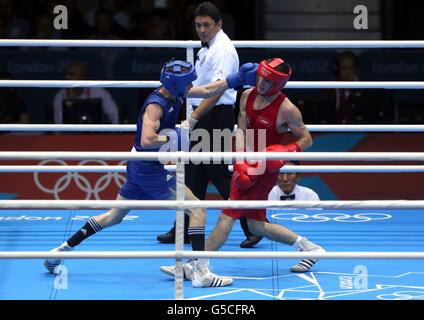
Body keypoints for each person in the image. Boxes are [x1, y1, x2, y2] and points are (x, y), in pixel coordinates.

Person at [43, 59, 257, 288]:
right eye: (187, 84)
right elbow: (147, 140)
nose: (191, 86)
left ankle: (61, 250)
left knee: (114, 216)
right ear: (176, 85)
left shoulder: (174, 92)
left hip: (140, 166)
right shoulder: (156, 105)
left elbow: (205, 90)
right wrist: (174, 137)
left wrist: (234, 80)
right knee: (197, 208)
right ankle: (202, 272)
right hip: (148, 169)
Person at [160, 58, 325, 282]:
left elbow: (306, 139)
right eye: (260, 77)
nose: (261, 83)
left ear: (279, 83)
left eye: (268, 81)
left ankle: (196, 264)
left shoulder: (287, 110)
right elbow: (241, 130)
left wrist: (284, 152)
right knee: (257, 225)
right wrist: (240, 161)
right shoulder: (247, 95)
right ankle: (309, 247)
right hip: (246, 162)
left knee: (227, 216)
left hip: (266, 169)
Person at [157, 1, 263, 248]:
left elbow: (217, 91)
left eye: (206, 25)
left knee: (216, 172)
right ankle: (181, 228)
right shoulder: (206, 49)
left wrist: (193, 118)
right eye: (198, 25)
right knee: (194, 174)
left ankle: (253, 224)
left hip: (216, 115)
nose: (202, 30)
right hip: (204, 115)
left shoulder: (223, 50)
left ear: (219, 24)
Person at [52, 61, 119, 124]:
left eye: (72, 75)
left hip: (94, 135)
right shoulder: (60, 95)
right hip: (69, 135)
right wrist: (70, 100)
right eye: (66, 74)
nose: (67, 77)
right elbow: (57, 124)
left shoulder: (99, 92)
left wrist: (113, 134)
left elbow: (115, 115)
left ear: (83, 77)